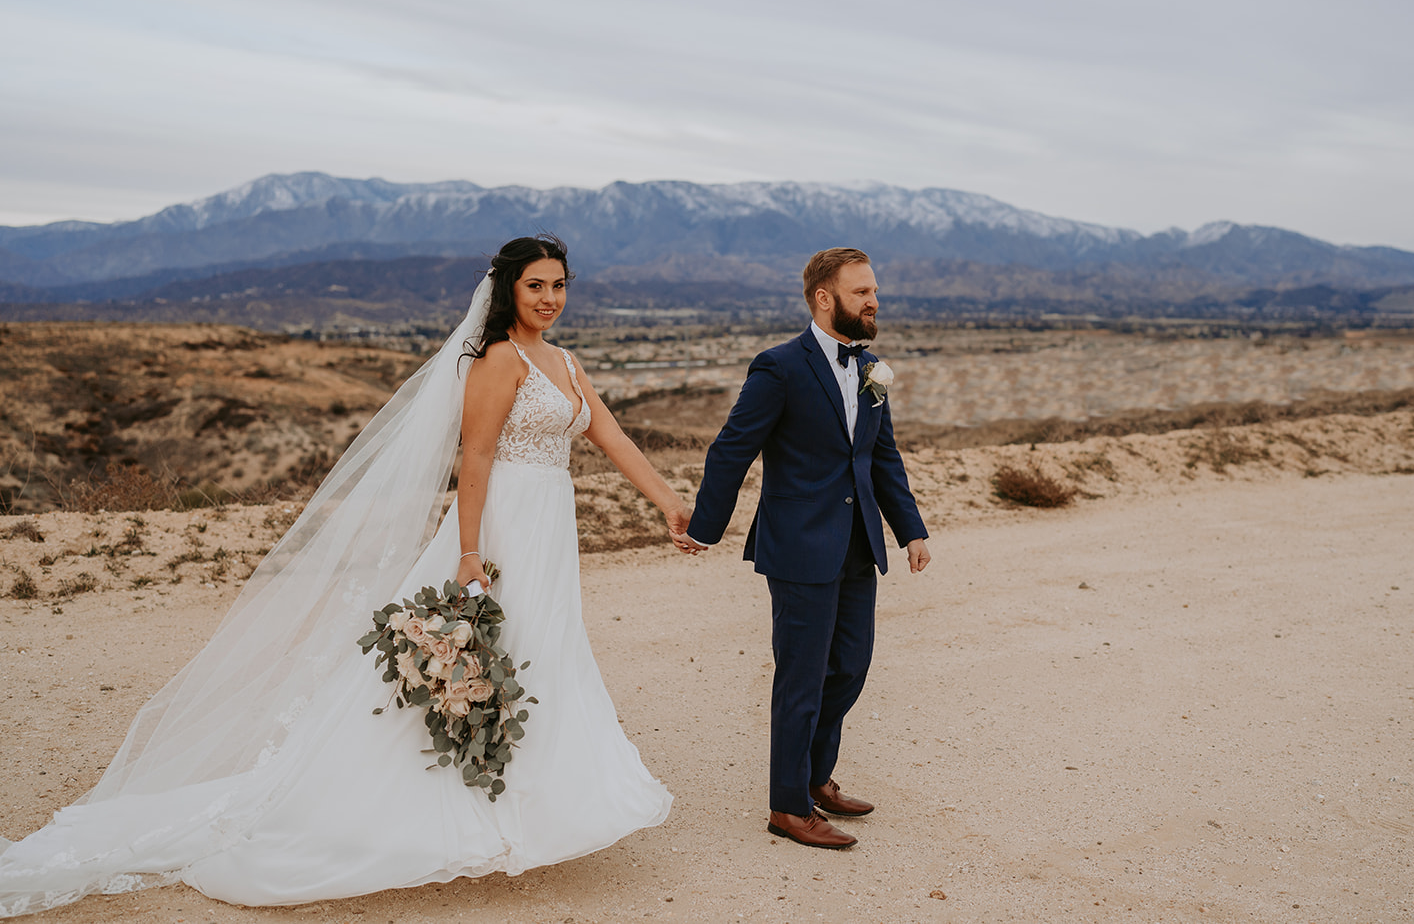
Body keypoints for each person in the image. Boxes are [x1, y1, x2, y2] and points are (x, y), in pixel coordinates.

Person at [0, 235, 684, 916]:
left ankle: (536, 803)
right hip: (502, 528)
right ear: (509, 289)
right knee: (493, 656)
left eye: (559, 284)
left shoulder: (563, 362)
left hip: (551, 532)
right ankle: (439, 803)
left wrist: (670, 505)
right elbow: (473, 460)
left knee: (546, 654)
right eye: (537, 285)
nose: (550, 298)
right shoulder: (498, 361)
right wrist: (469, 552)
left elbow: (613, 436)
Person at [674, 247, 932, 850]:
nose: (874, 302)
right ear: (824, 297)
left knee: (850, 667)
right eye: (861, 292)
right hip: (797, 546)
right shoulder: (779, 367)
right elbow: (732, 448)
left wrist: (910, 529)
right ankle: (788, 807)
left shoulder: (871, 371)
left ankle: (816, 778)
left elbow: (880, 457)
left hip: (858, 543)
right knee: (802, 677)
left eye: (874, 291)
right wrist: (705, 528)